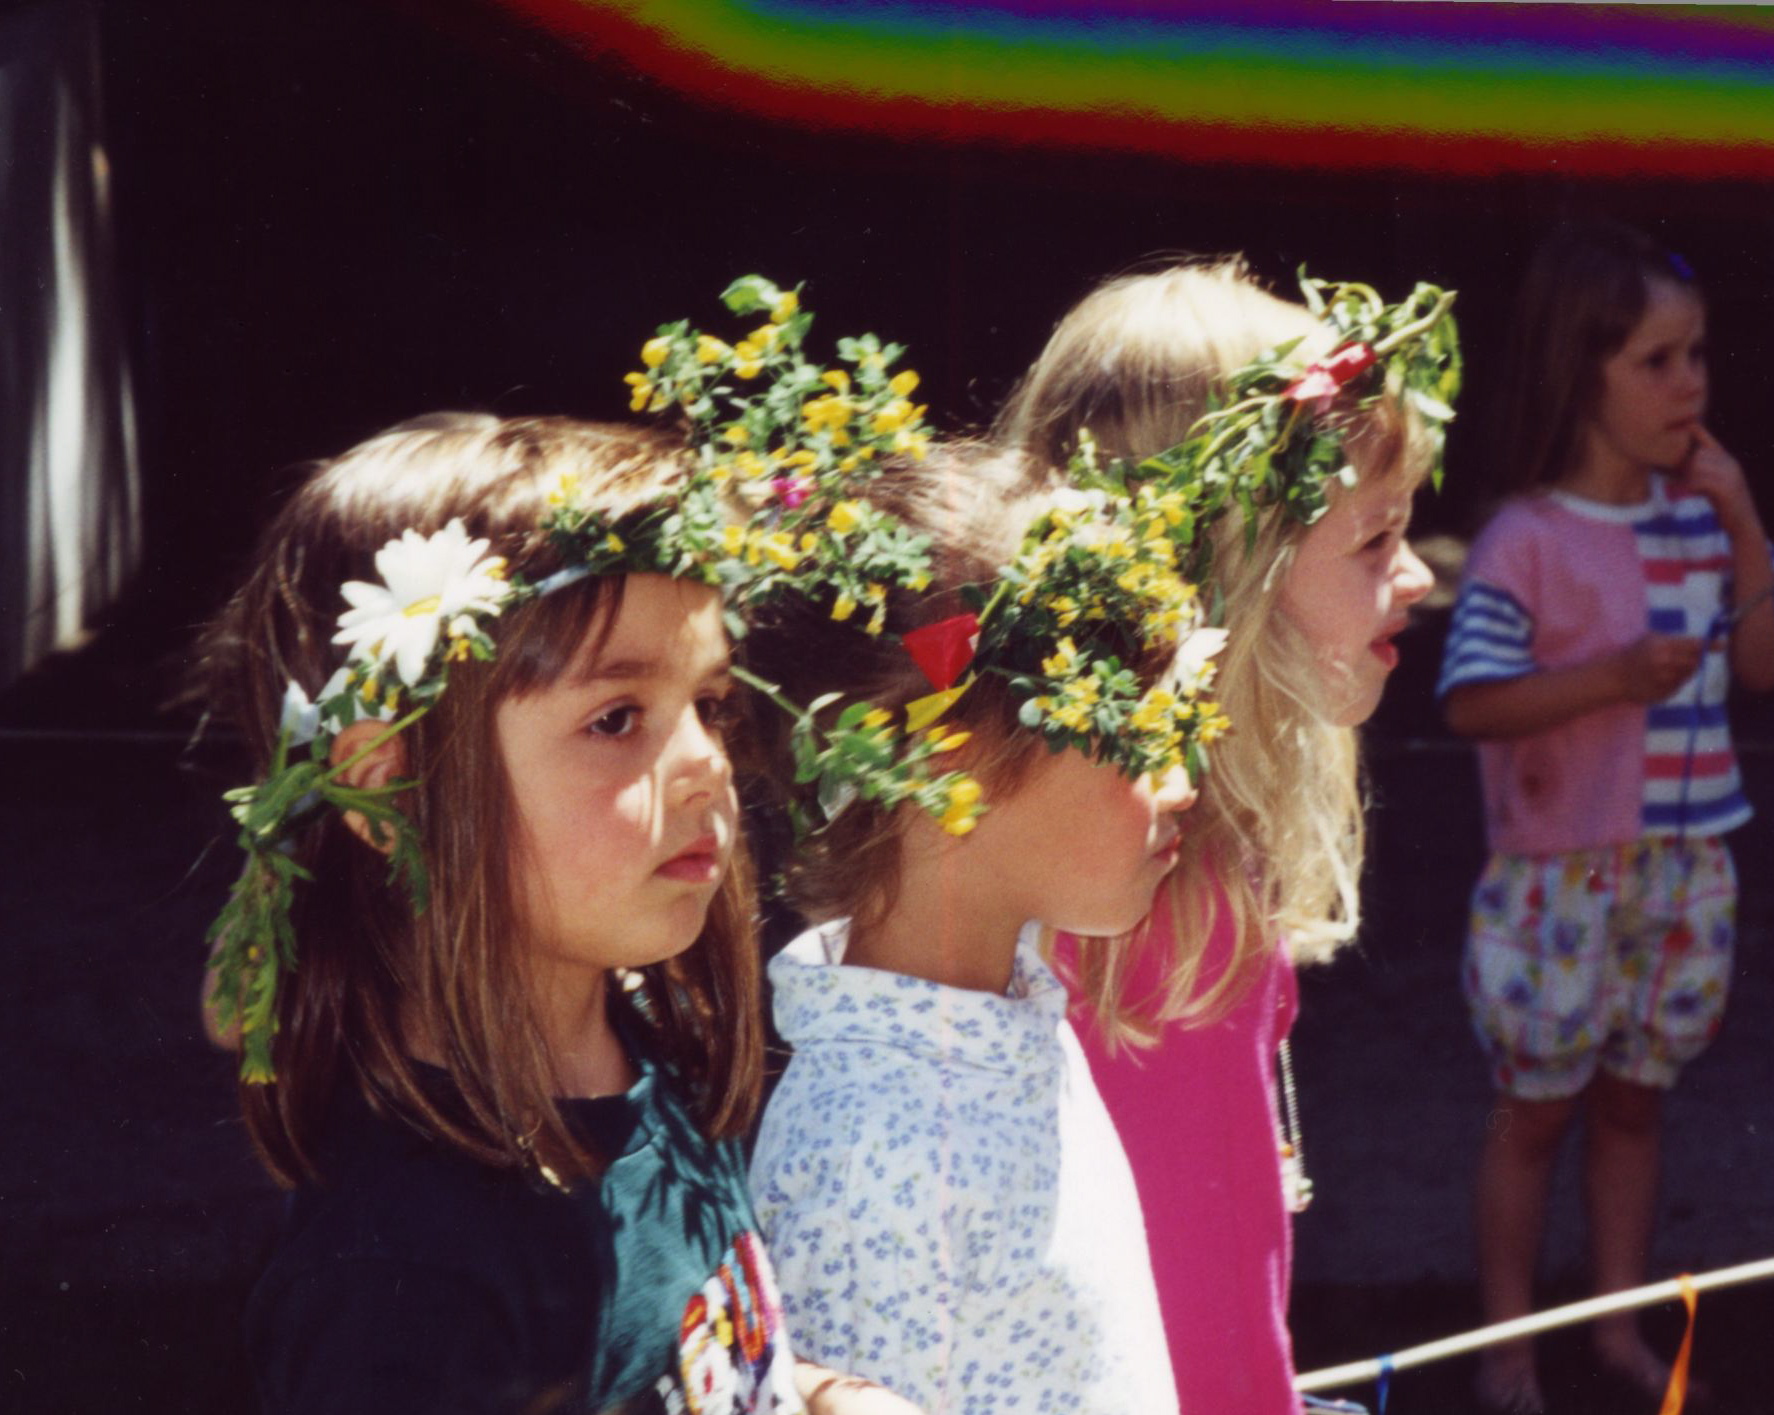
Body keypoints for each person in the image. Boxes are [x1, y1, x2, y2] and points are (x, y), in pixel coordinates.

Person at [197, 413, 920, 1415]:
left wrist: (820, 1391)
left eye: (708, 703)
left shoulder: (647, 1053)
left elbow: (691, 1365)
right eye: (617, 718)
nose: (709, 761)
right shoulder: (404, 1277)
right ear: (394, 781)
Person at [994, 257, 1446, 1415]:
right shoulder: (1132, 898)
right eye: (1371, 539)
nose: (1415, 577)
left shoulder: (1201, 843)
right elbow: (1168, 1289)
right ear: (1227, 559)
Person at [741, 444, 1202, 1415]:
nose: (1183, 779)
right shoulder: (872, 1154)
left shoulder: (1004, 1008)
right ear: (946, 760)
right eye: (1132, 729)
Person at [1437, 222, 1774, 1413]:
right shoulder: (1523, 540)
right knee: (1535, 1116)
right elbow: (1474, 699)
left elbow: (1760, 669)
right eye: (1656, 359)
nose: (1690, 382)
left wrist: (1743, 523)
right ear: (1575, 371)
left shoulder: (1699, 518)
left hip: (1685, 869)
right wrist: (1609, 678)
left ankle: (1616, 1324)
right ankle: (1505, 1347)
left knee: (1635, 1106)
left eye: (1697, 354)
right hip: (1556, 879)